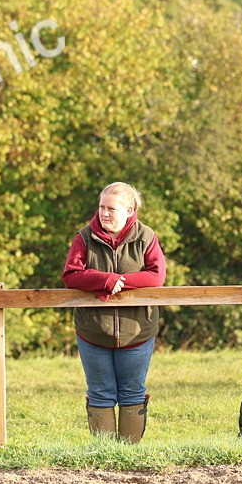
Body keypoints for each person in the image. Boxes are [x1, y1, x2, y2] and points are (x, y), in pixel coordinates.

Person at [62, 181, 166, 443]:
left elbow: (157, 276)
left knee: (132, 392)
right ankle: (106, 455)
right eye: (101, 207)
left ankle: (128, 456)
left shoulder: (146, 236)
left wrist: (121, 281)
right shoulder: (84, 236)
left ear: (130, 210)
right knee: (100, 393)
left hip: (138, 331)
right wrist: (104, 281)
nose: (104, 213)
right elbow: (71, 275)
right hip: (93, 331)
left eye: (111, 209)